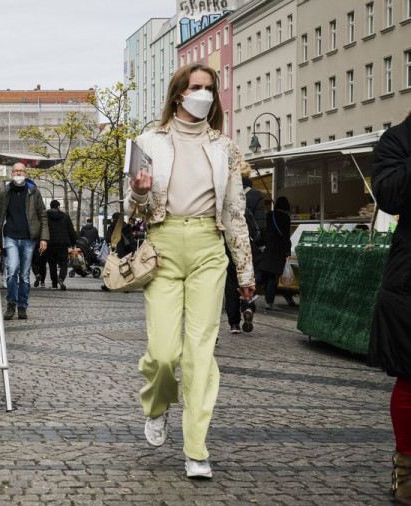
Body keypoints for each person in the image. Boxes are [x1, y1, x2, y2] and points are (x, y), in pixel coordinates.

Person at [126, 63, 255, 479]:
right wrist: (139, 194)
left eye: (210, 88)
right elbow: (132, 211)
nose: (204, 94)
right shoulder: (146, 141)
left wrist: (246, 272)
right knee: (164, 353)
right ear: (178, 93)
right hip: (161, 247)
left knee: (201, 353)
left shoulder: (225, 147)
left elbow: (235, 213)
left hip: (207, 248)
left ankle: (196, 448)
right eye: (196, 87)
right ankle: (157, 404)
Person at [368, 110, 411, 504]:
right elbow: (391, 196)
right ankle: (406, 467)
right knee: (410, 379)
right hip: (409, 276)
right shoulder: (397, 140)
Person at [0, 162, 48, 320]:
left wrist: (44, 238)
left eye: (21, 171)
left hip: (29, 239)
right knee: (12, 270)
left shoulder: (33, 191)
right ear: (11, 174)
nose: (18, 174)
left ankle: (22, 306)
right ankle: (11, 304)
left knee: (24, 275)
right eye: (15, 171)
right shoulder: (5, 191)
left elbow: (43, 215)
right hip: (11, 237)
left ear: (26, 174)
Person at [224, 162, 266, 334]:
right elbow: (262, 225)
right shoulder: (256, 195)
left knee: (232, 282)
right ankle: (247, 307)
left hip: (229, 243)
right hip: (250, 245)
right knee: (248, 278)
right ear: (249, 177)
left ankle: (234, 323)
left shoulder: (228, 194)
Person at [258, 196, 291, 311]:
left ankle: (257, 296)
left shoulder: (269, 215)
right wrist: (288, 250)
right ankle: (269, 302)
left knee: (266, 274)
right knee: (273, 276)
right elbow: (286, 236)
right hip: (278, 249)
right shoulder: (286, 218)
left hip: (267, 247)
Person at [44, 200, 77, 290]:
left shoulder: (46, 217)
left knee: (52, 264)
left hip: (50, 244)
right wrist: (73, 243)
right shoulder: (65, 216)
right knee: (63, 262)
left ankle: (54, 284)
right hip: (63, 244)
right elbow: (71, 231)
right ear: (58, 207)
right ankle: (61, 278)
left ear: (50, 207)